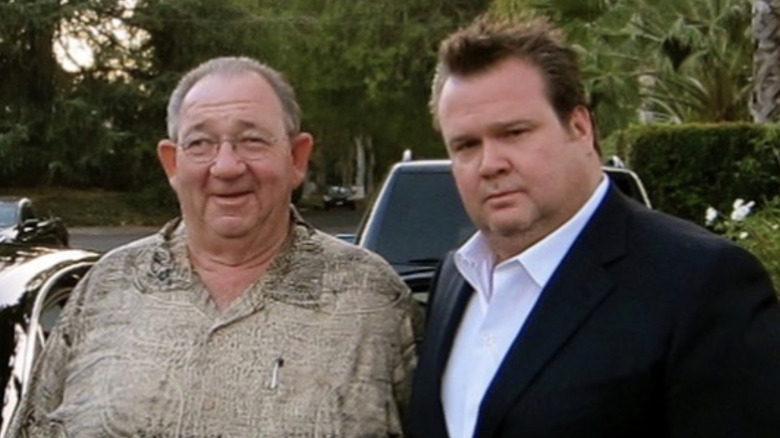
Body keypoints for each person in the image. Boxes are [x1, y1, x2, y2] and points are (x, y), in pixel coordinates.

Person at [407, 16, 780, 438]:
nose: (490, 163)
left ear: (581, 128)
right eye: (466, 145)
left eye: (514, 133)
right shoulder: (455, 279)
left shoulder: (701, 283)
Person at [9, 56, 421, 437]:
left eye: (252, 140)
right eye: (200, 144)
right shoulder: (105, 290)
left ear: (297, 157)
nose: (225, 167)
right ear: (172, 163)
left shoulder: (372, 300)